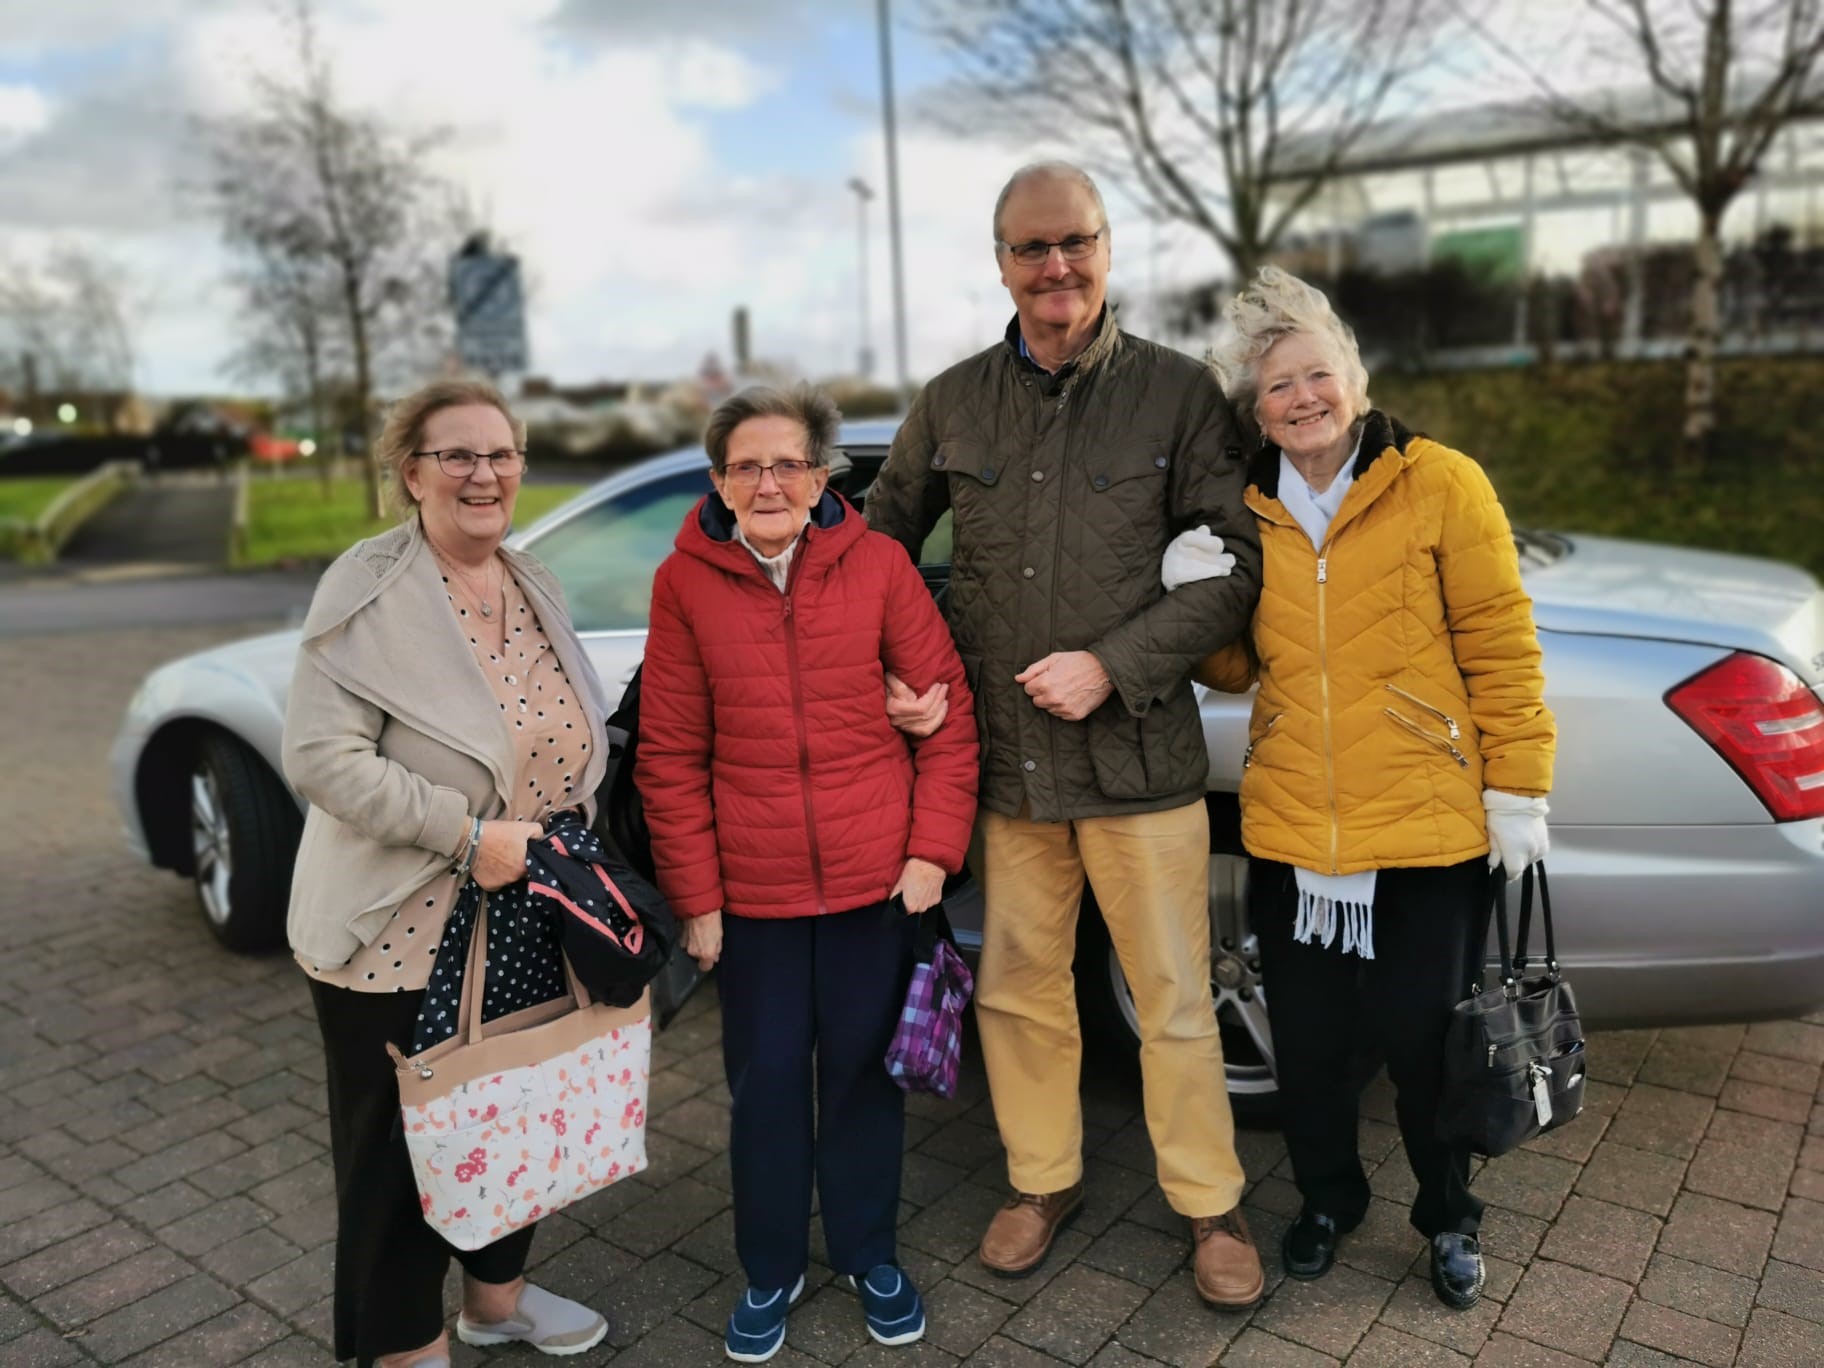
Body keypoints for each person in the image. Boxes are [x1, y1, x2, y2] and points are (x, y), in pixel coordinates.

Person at [868, 161, 1266, 1307]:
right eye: (1032, 248)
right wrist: (904, 669)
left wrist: (1118, 663)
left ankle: (1211, 1206)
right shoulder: (950, 402)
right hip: (1006, 769)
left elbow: (1239, 562)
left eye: (1075, 242)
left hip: (1137, 762)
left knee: (1176, 997)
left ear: (1108, 247)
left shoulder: (1179, 395)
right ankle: (1042, 1179)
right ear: (1000, 261)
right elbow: (879, 552)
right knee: (1021, 988)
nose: (1057, 267)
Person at [1190, 266, 1555, 1310]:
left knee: (1425, 1048)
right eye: (1276, 388)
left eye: (1317, 375)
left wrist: (1517, 789)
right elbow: (1237, 670)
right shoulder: (1250, 504)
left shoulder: (1439, 480)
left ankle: (1448, 1218)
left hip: (1428, 833)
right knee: (1308, 1051)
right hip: (1297, 827)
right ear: (1255, 411)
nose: (1301, 399)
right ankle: (1325, 1202)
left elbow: (1501, 643)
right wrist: (1194, 602)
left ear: (1353, 376)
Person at [637, 385, 979, 1363]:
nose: (769, 482)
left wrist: (930, 855)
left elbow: (948, 717)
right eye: (747, 466)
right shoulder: (685, 582)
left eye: (789, 463)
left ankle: (870, 1253)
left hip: (879, 886)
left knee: (868, 1082)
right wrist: (697, 901)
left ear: (823, 477)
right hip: (757, 899)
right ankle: (771, 1267)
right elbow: (668, 754)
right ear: (720, 482)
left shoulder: (876, 566)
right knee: (769, 1084)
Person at [283, 379, 613, 1367]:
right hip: (402, 926)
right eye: (457, 455)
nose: (484, 474)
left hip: (523, 917)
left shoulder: (531, 577)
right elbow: (321, 759)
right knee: (399, 1162)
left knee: (510, 1126)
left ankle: (495, 1303)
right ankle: (405, 1345)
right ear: (411, 471)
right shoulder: (370, 585)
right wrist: (471, 837)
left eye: (501, 453)